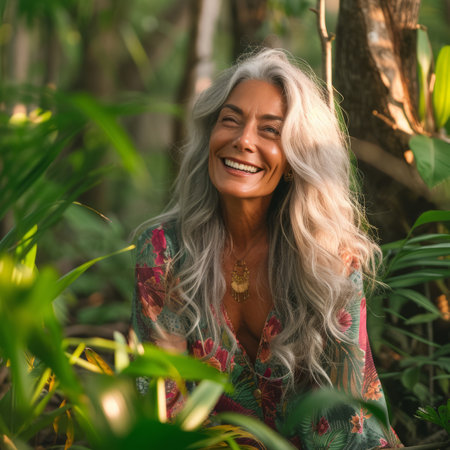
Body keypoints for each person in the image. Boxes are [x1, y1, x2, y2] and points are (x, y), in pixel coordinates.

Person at [132, 48, 402, 449]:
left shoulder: (332, 260)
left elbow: (347, 415)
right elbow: (161, 401)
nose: (243, 141)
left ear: (296, 158)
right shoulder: (163, 251)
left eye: (270, 130)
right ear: (211, 135)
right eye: (231, 121)